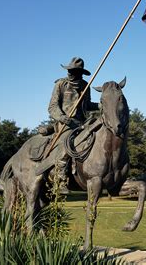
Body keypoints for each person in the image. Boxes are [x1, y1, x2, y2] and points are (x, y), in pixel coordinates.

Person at [36, 57, 99, 192]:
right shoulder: (60, 84)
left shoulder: (85, 86)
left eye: (73, 71)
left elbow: (87, 105)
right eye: (69, 70)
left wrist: (101, 105)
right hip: (65, 125)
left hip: (81, 124)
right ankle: (60, 179)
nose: (70, 73)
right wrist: (62, 117)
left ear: (80, 72)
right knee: (66, 143)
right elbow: (52, 107)